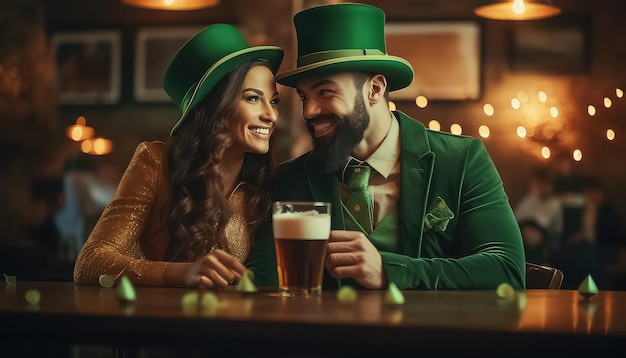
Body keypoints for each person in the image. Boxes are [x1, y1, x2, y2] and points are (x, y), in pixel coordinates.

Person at [245, 3, 526, 290]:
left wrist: (388, 270)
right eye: (305, 97)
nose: (309, 111)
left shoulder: (462, 160)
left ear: (375, 89)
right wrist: (200, 272)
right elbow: (263, 279)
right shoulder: (291, 178)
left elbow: (507, 269)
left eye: (325, 91)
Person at [74, 24, 284, 287]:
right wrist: (182, 273)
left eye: (274, 101)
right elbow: (90, 263)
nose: (271, 115)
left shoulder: (267, 183)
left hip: (235, 324)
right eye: (253, 99)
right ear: (216, 105)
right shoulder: (155, 162)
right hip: (161, 322)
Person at [514, 167, 563, 259]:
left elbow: (557, 230)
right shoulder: (529, 199)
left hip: (543, 238)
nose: (544, 188)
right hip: (522, 235)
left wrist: (542, 237)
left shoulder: (555, 203)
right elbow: (516, 219)